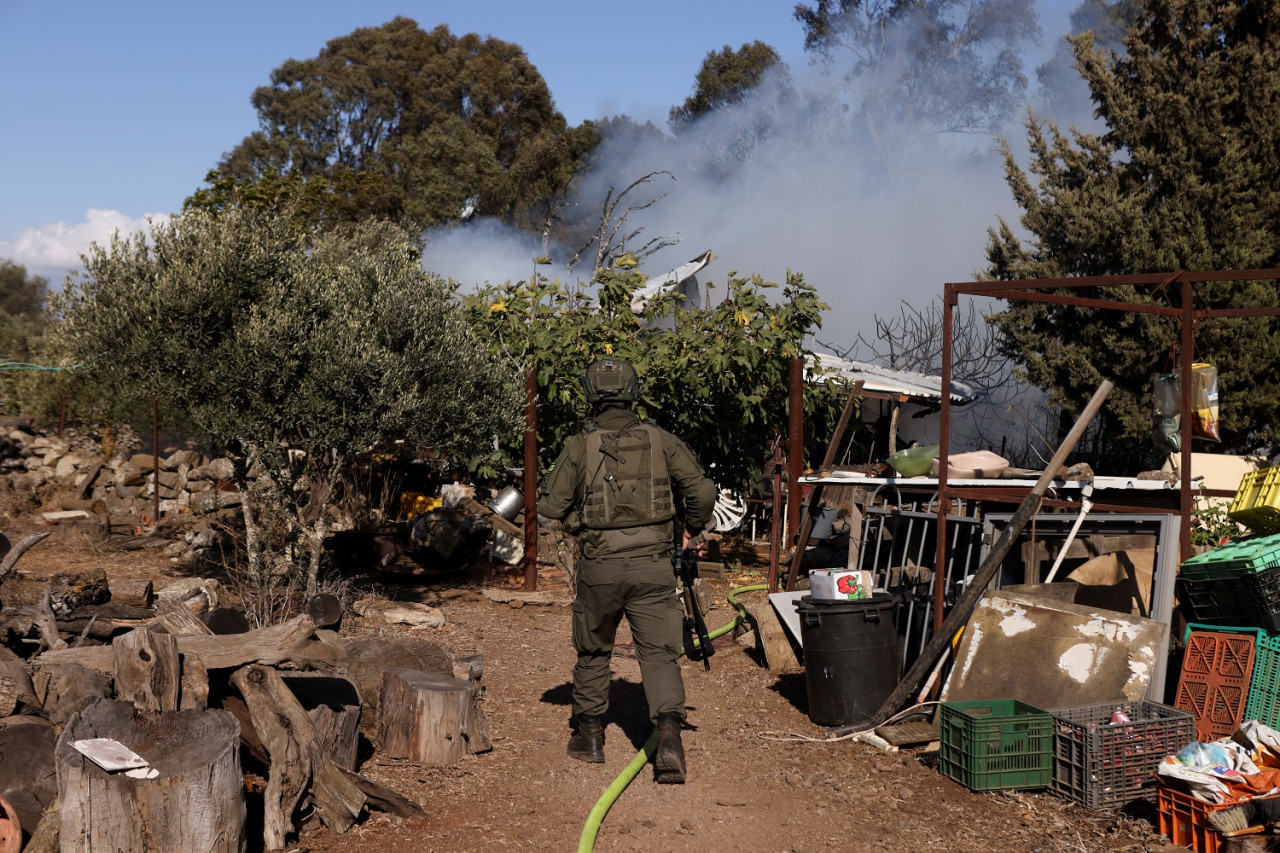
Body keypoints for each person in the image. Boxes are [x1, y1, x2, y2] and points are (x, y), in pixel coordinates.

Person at [538, 356, 716, 784]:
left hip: (599, 568)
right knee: (658, 655)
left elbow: (549, 507)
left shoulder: (578, 445)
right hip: (654, 568)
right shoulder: (662, 440)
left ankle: (590, 738)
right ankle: (669, 736)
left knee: (594, 650)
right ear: (632, 391)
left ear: (590, 393)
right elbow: (702, 491)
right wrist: (691, 527)